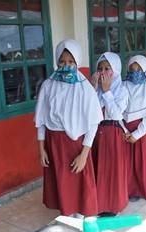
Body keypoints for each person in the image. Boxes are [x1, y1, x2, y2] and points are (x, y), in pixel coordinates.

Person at [35, 39, 102, 217]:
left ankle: (80, 218)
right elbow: (41, 120)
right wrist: (41, 149)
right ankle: (67, 216)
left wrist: (84, 155)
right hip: (54, 143)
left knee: (79, 183)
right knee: (62, 183)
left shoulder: (85, 88)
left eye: (71, 62)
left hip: (76, 145)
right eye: (62, 62)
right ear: (57, 62)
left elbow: (93, 123)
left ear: (77, 62)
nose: (66, 65)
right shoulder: (48, 85)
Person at [90, 52, 129, 214]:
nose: (103, 72)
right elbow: (90, 111)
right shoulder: (95, 89)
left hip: (113, 133)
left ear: (117, 70)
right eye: (100, 68)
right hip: (96, 132)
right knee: (97, 168)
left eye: (108, 68)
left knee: (112, 170)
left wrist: (106, 91)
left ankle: (112, 205)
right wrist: (93, 90)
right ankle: (97, 203)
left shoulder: (122, 90)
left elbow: (116, 114)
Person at [122, 55, 146, 200]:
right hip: (125, 131)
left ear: (144, 70)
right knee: (127, 163)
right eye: (132, 68)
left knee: (142, 162)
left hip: (141, 132)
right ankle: (128, 190)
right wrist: (125, 131)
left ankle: (141, 189)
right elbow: (118, 112)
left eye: (139, 69)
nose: (135, 72)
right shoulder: (123, 85)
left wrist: (137, 134)